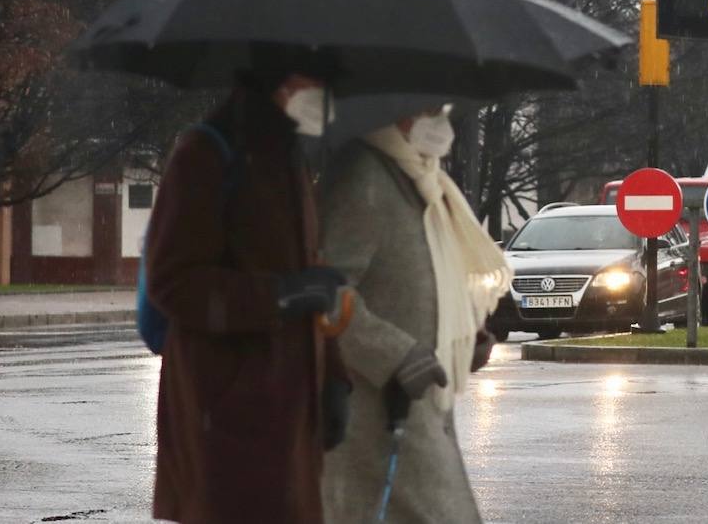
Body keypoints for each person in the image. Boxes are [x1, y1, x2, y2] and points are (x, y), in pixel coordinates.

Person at [146, 68, 345, 524]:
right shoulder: (207, 153)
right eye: (317, 80)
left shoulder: (290, 159)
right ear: (282, 80)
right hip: (226, 418)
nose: (326, 95)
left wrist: (334, 378)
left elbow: (307, 274)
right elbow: (173, 281)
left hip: (288, 411)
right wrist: (279, 296)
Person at [319, 106, 510, 523]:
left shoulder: (422, 178)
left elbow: (425, 274)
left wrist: (463, 334)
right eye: (426, 109)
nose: (439, 121)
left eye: (441, 110)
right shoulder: (363, 174)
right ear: (394, 111)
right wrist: (393, 353)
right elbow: (326, 289)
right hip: (378, 410)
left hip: (421, 404)